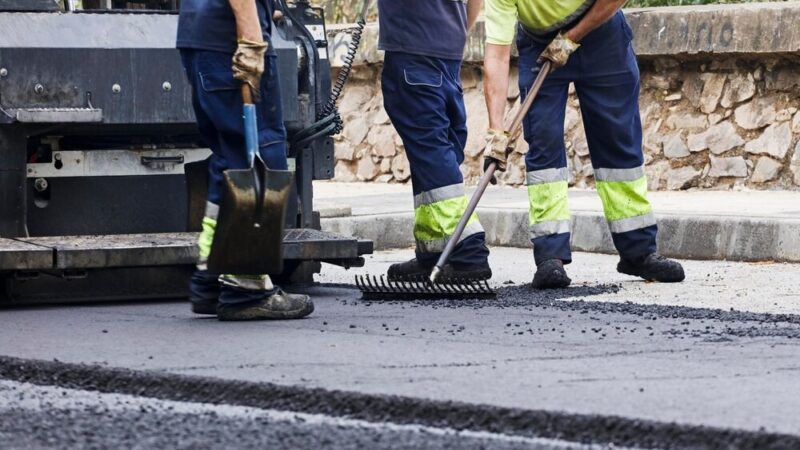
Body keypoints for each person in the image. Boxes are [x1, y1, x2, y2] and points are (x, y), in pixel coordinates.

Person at [482, 0, 685, 288]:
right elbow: (497, 57)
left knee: (618, 141)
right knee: (543, 144)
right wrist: (496, 131)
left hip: (601, 32)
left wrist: (571, 37)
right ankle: (550, 256)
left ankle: (639, 252)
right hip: (539, 42)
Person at [177, 0, 314, 320]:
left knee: (230, 158)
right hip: (231, 36)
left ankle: (213, 275)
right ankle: (246, 284)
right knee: (260, 155)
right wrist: (252, 36)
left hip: (201, 35)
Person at [378, 0, 492, 282]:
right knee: (436, 150)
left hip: (412, 49)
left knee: (431, 150)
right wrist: (452, 32)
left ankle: (468, 249)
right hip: (447, 48)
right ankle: (435, 250)